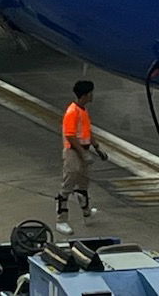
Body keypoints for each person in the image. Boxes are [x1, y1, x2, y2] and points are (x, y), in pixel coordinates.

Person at [55, 79, 108, 235]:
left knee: (83, 183)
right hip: (73, 152)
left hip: (82, 150)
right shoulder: (72, 112)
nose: (92, 95)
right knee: (68, 184)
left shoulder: (83, 111)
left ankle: (86, 211)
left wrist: (97, 148)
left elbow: (87, 132)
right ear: (85, 95)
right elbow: (70, 136)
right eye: (91, 93)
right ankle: (61, 219)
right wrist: (83, 153)